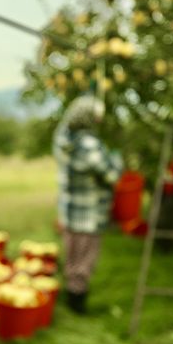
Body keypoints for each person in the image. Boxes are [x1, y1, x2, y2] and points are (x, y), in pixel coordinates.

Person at [53, 93, 123, 314]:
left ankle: (69, 296)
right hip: (89, 213)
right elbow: (111, 175)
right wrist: (116, 159)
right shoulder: (89, 144)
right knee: (84, 261)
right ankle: (77, 305)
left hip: (69, 211)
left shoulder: (64, 139)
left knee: (72, 256)